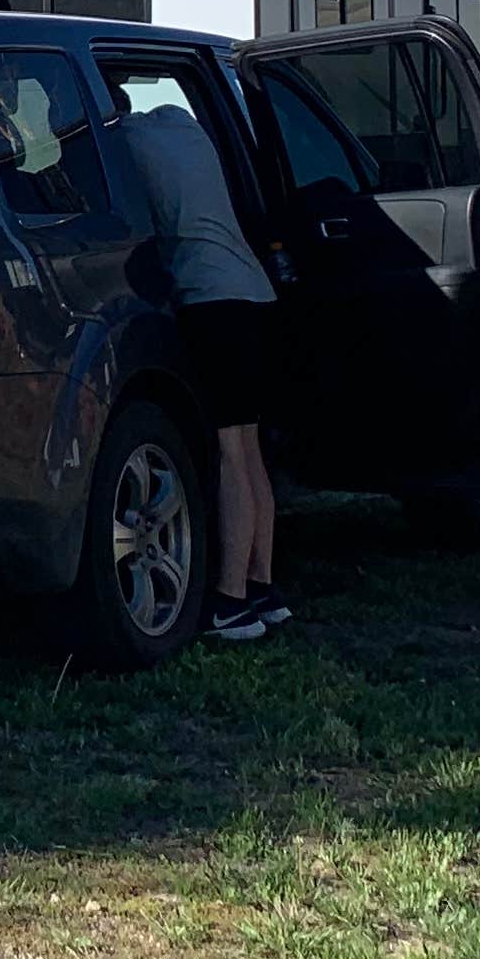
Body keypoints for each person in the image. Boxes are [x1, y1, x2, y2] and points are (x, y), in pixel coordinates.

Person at [118, 98, 286, 643]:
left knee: (230, 451)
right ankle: (262, 587)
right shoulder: (180, 125)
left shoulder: (121, 145)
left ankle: (230, 600)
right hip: (255, 293)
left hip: (212, 301)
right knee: (251, 447)